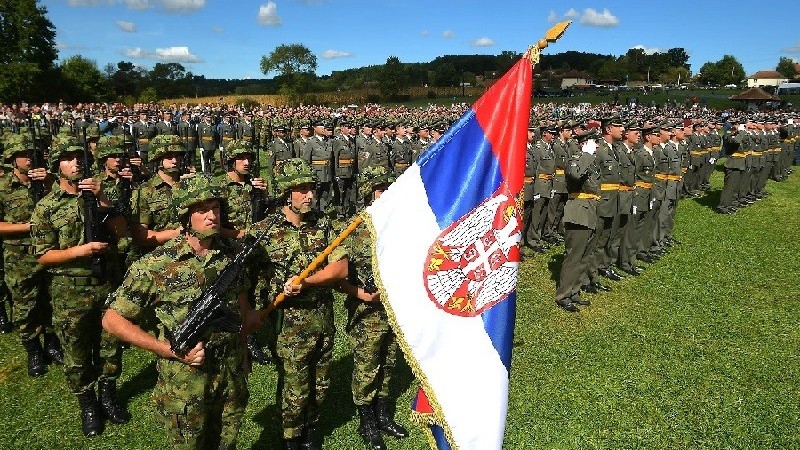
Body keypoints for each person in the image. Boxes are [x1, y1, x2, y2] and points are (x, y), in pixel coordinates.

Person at [103, 173, 265, 449]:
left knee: (227, 442)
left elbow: (240, 306)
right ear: (185, 217)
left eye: (215, 208)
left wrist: (244, 349)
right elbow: (112, 319)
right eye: (202, 210)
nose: (212, 216)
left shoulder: (230, 256)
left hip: (229, 372)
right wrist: (166, 349)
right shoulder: (156, 265)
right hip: (185, 382)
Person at [248, 158, 349, 450]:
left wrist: (307, 282)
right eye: (301, 189)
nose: (309, 195)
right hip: (288, 327)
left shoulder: (324, 224)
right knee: (295, 388)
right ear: (285, 193)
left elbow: (340, 268)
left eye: (310, 189)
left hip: (322, 319)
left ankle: (310, 433)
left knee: (321, 383)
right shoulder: (263, 233)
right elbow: (250, 283)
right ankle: (290, 438)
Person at [30, 135, 127, 437]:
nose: (76, 162)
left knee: (111, 345)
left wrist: (105, 201)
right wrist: (78, 251)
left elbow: (123, 233)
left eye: (79, 157)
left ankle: (108, 395)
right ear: (56, 164)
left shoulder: (102, 193)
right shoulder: (46, 207)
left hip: (106, 283)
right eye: (68, 157)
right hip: (70, 290)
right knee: (76, 351)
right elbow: (43, 255)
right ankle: (88, 404)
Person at [338, 166, 408, 450]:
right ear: (369, 194)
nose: (385, 194)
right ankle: (366, 420)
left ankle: (383, 413)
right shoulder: (355, 230)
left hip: (393, 310)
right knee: (367, 365)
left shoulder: (400, 226)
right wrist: (360, 294)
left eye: (388, 189)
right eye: (380, 189)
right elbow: (337, 275)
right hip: (367, 314)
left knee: (389, 362)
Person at [0, 133, 61, 377]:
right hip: (20, 258)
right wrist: (28, 227)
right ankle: (33, 349)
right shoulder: (4, 187)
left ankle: (52, 343)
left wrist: (48, 183)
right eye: (23, 155)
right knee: (25, 306)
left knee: (51, 300)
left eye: (32, 154)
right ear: (12, 160)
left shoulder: (48, 181)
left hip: (49, 251)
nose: (29, 159)